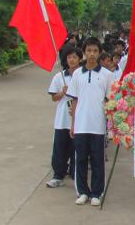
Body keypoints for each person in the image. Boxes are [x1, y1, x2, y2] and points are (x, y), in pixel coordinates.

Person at [67, 37, 114, 206]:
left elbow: (111, 101)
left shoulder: (107, 75)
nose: (92, 54)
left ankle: (96, 192)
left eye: (95, 51)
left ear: (100, 52)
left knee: (97, 160)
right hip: (80, 125)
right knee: (80, 160)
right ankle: (82, 192)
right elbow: (74, 101)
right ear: (84, 53)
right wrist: (72, 124)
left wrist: (111, 125)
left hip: (98, 125)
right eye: (89, 51)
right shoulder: (77, 74)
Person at [46, 48, 82, 188]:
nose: (72, 60)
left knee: (77, 149)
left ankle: (76, 175)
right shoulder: (59, 77)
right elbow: (54, 98)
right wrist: (63, 92)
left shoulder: (82, 75)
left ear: (79, 58)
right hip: (62, 120)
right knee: (60, 149)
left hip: (78, 120)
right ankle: (58, 175)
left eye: (74, 57)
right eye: (69, 57)